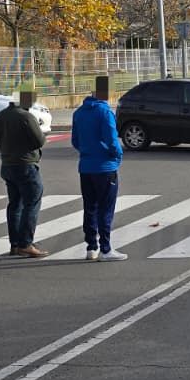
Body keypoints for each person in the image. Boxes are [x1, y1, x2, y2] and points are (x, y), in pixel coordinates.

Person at [72, 79, 126, 262]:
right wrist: (117, 156)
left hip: (85, 167)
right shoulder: (105, 112)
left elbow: (75, 141)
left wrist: (87, 152)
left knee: (90, 207)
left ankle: (91, 247)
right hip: (105, 167)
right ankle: (106, 248)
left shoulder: (79, 113)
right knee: (106, 208)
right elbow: (112, 140)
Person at [0, 95, 47, 258]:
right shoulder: (26, 117)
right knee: (32, 203)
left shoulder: (0, 116)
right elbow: (39, 141)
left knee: (15, 205)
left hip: (7, 164)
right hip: (26, 165)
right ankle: (26, 244)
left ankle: (15, 244)